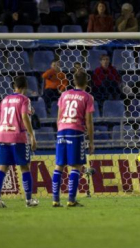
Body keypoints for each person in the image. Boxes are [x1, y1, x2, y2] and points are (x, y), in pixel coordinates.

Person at [0, 76, 38, 208]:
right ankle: (29, 200)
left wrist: (0, 134)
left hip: (3, 138)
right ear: (25, 87)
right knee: (24, 167)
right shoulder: (24, 99)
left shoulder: (5, 99)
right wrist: (32, 136)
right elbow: (24, 116)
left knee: (3, 168)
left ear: (14, 87)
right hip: (18, 138)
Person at [52, 72, 95, 207]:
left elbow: (58, 118)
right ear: (86, 82)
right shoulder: (87, 97)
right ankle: (71, 199)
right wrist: (91, 141)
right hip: (75, 132)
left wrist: (60, 131)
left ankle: (55, 200)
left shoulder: (64, 95)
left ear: (74, 81)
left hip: (61, 131)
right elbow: (89, 121)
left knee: (59, 165)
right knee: (76, 166)